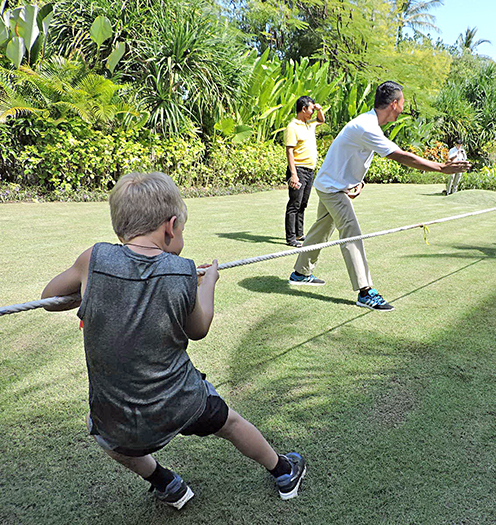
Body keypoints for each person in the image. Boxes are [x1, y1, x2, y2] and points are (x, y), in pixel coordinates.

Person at [41, 172, 306, 510]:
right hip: (181, 402)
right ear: (169, 227)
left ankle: (166, 483)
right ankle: (283, 470)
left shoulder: (94, 259)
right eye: (181, 228)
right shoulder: (181, 271)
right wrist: (206, 282)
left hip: (116, 416)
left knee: (103, 433)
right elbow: (199, 328)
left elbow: (49, 298)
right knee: (230, 422)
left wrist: (93, 288)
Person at [288, 81, 471, 311]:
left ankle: (300, 272)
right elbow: (402, 156)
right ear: (394, 103)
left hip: (329, 184)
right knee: (351, 232)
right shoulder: (367, 126)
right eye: (402, 103)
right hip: (332, 188)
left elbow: (355, 155)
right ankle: (365, 292)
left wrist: (359, 182)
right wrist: (442, 168)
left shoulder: (369, 124)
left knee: (322, 229)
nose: (403, 108)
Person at [284, 96, 325, 247]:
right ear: (303, 109)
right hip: (298, 170)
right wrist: (293, 174)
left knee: (303, 204)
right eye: (311, 109)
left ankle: (300, 234)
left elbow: (321, 120)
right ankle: (291, 238)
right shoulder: (292, 126)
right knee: (294, 204)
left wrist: (319, 109)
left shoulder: (309, 124)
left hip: (309, 170)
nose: (313, 112)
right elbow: (289, 152)